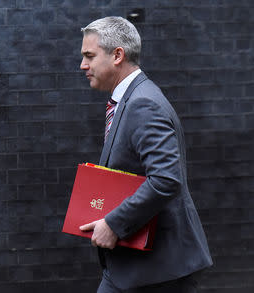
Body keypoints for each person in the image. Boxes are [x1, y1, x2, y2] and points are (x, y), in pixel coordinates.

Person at [78, 16, 213, 293]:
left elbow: (166, 179)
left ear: (117, 55)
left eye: (89, 56)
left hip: (158, 268)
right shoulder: (131, 99)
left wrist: (114, 223)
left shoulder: (143, 104)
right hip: (140, 266)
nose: (83, 65)